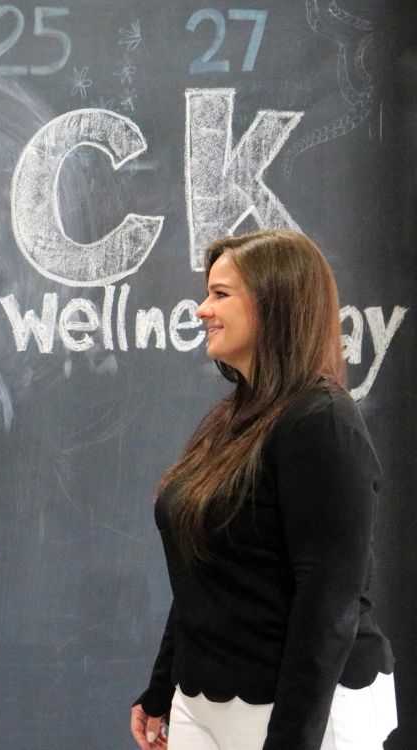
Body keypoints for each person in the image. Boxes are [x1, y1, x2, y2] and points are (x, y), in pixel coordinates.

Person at [131, 230, 396, 750]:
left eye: (221, 294)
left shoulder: (321, 422)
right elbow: (199, 569)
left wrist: (293, 741)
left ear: (276, 302)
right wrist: (163, 687)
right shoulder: (233, 418)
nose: (202, 309)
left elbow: (329, 602)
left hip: (304, 712)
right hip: (203, 703)